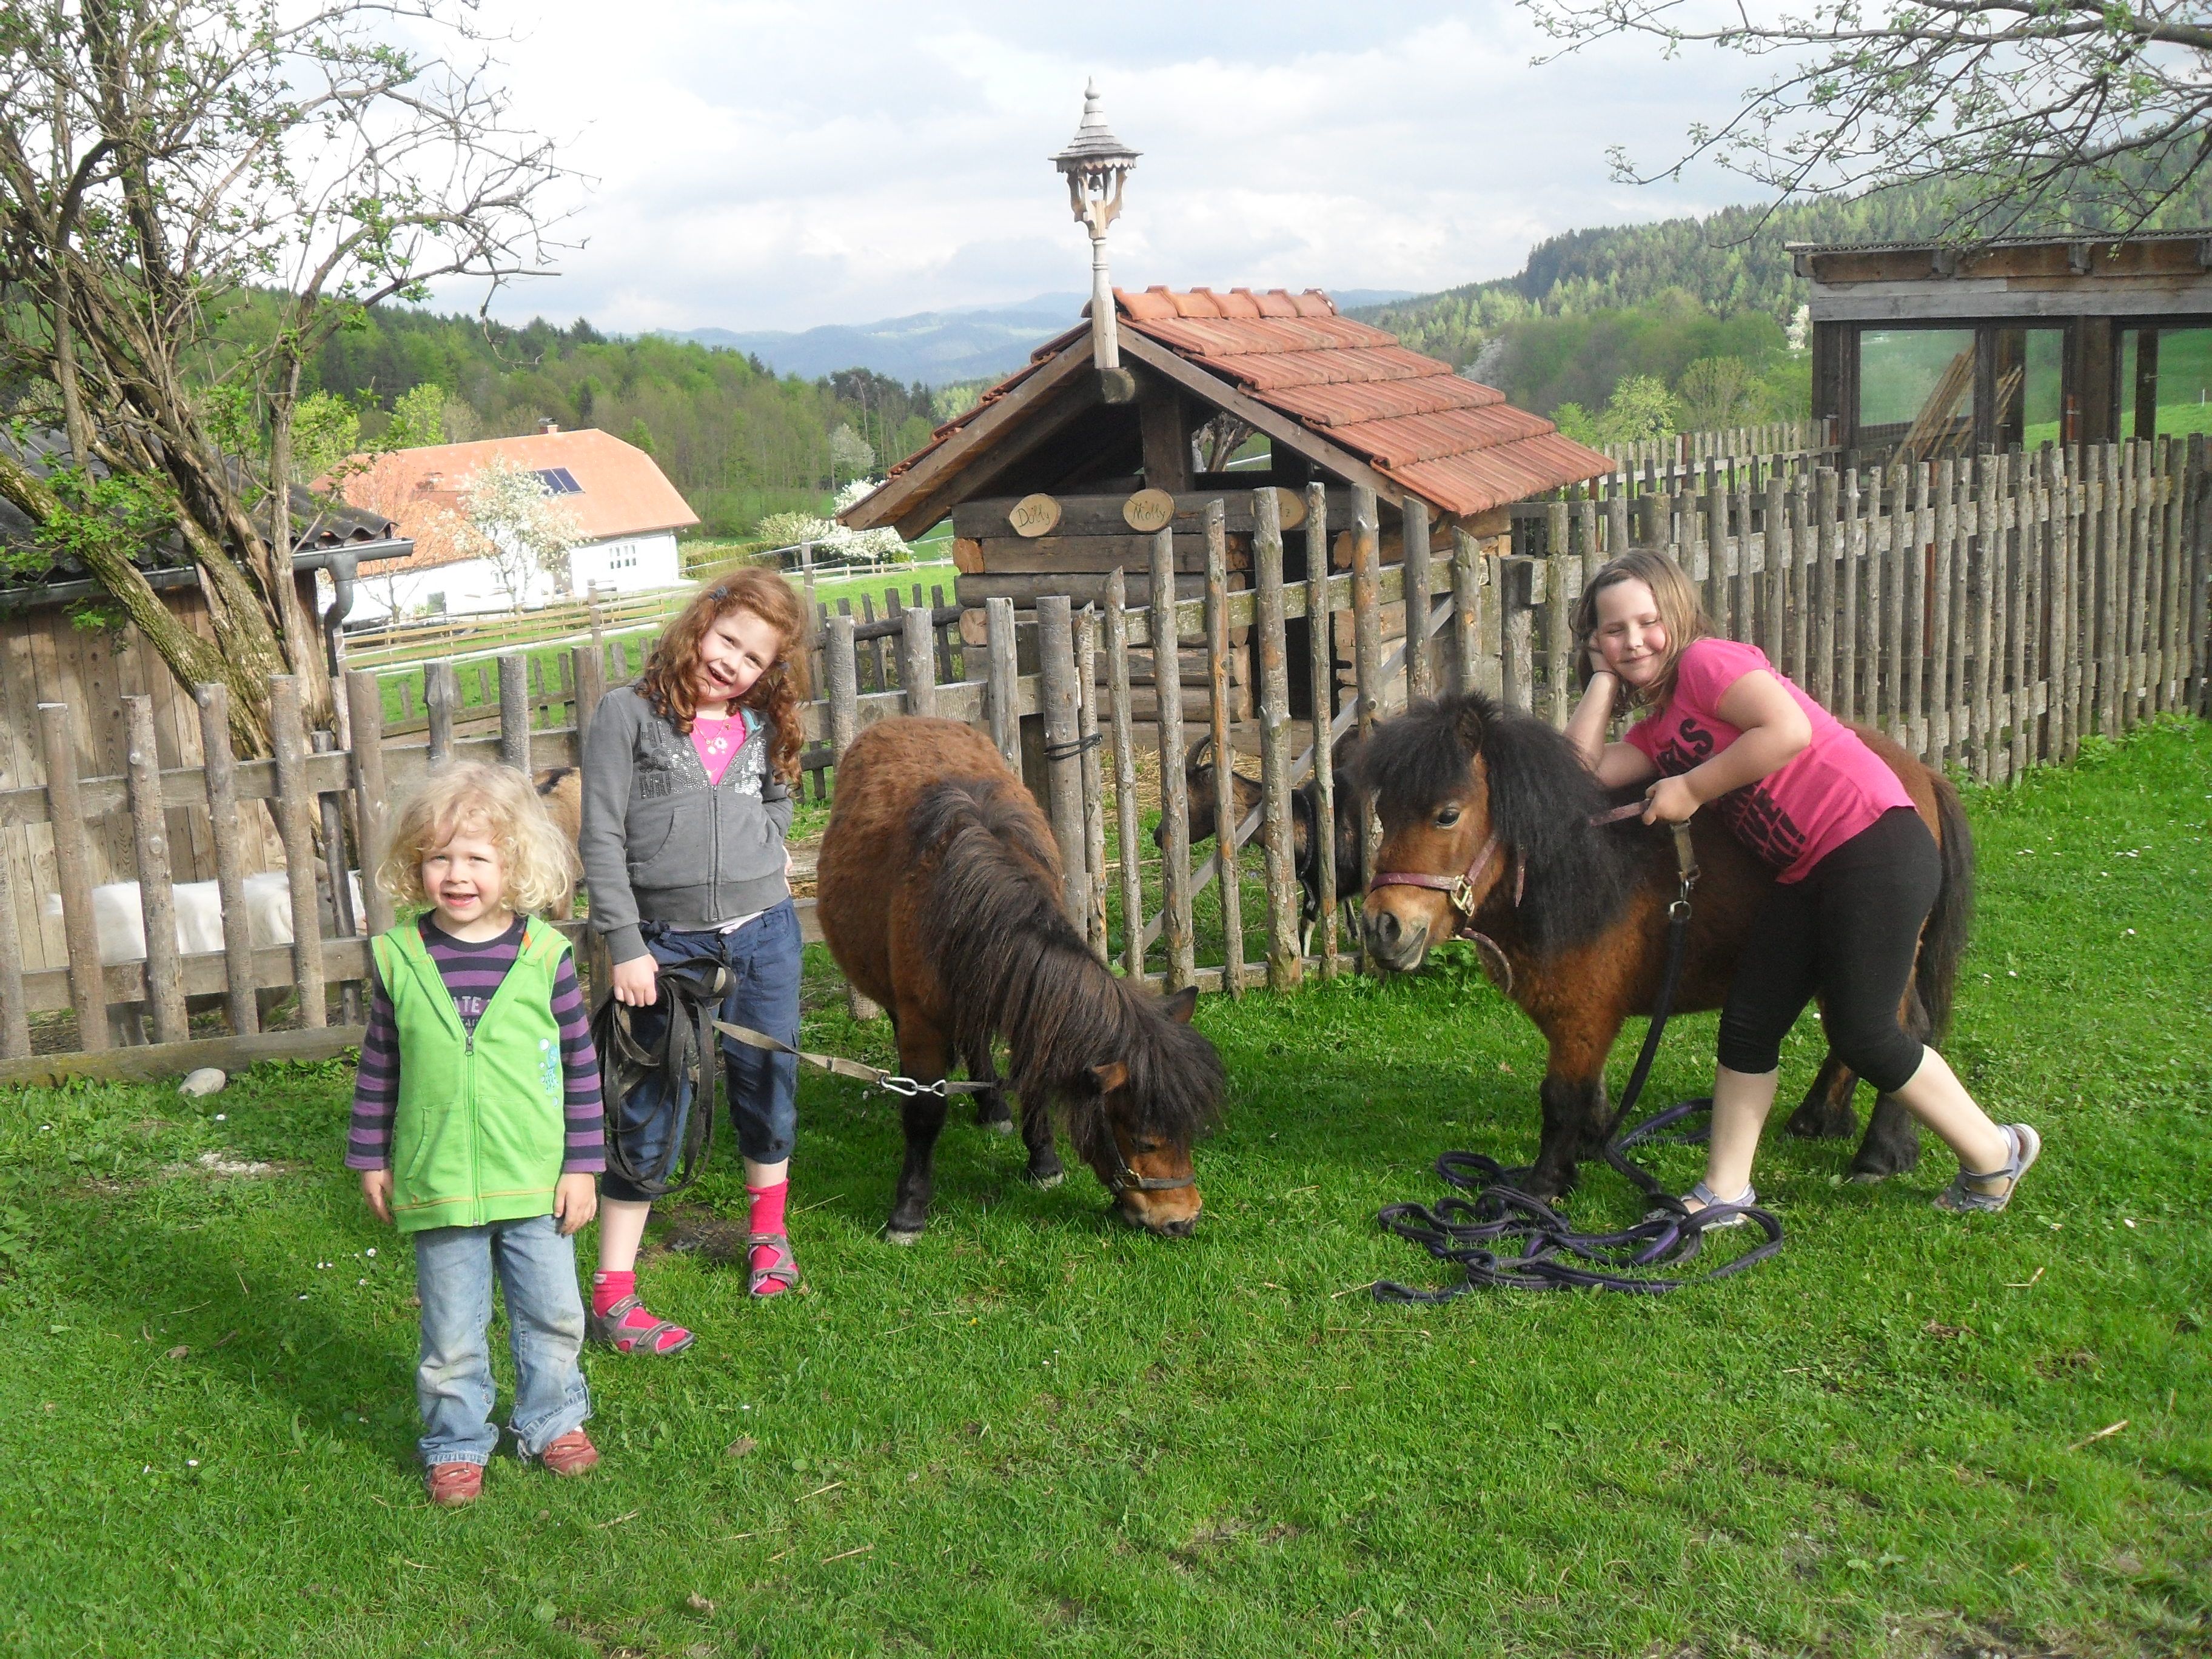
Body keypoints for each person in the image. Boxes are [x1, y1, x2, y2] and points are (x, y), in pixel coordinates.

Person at [1563, 549, 2040, 1219]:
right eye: (1613, 630)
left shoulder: (1709, 663)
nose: (1634, 639)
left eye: (1648, 621)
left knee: (1865, 1033)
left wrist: (1693, 788)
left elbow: (1786, 729)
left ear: (1678, 614)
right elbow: (1577, 775)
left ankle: (1996, 1154)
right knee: (1750, 1023)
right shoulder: (1658, 729)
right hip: (1807, 870)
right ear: (1594, 640)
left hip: (1874, 843)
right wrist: (1603, 683)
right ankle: (1724, 1192)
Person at [347, 762, 606, 1507]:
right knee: (452, 1331)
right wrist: (371, 1156)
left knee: (553, 1313)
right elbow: (380, 1066)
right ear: (414, 866)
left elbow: (579, 1069)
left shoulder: (545, 957)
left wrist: (581, 1166)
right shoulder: (399, 959)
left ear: (515, 864)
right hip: (439, 1178)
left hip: (535, 1176)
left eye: (477, 859)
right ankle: (458, 1440)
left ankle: (552, 1419)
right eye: (440, 859)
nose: (457, 876)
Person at [578, 568, 808, 1352]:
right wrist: (626, 944)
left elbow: (778, 800)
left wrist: (767, 853)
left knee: (766, 1082)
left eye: (753, 658)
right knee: (648, 1101)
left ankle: (768, 1239)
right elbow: (601, 836)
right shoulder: (628, 714)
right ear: (700, 624)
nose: (732, 664)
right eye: (727, 641)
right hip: (664, 944)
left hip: (764, 933)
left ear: (767, 670)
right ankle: (613, 1294)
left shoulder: (761, 724)